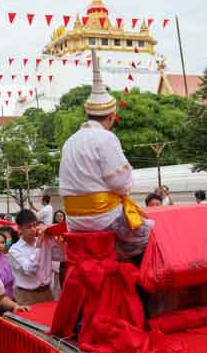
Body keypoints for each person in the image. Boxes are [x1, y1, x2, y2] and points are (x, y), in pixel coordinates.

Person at [58, 48, 153, 260]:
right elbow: (121, 182)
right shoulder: (106, 138)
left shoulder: (70, 141)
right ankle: (141, 289)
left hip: (74, 218)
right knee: (150, 237)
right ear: (111, 117)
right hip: (101, 216)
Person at [7, 210, 62, 305]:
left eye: (34, 225)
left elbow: (62, 257)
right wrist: (38, 246)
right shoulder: (14, 250)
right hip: (26, 294)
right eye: (28, 227)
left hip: (47, 292)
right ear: (20, 229)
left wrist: (53, 240)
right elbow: (30, 269)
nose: (33, 229)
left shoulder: (45, 241)